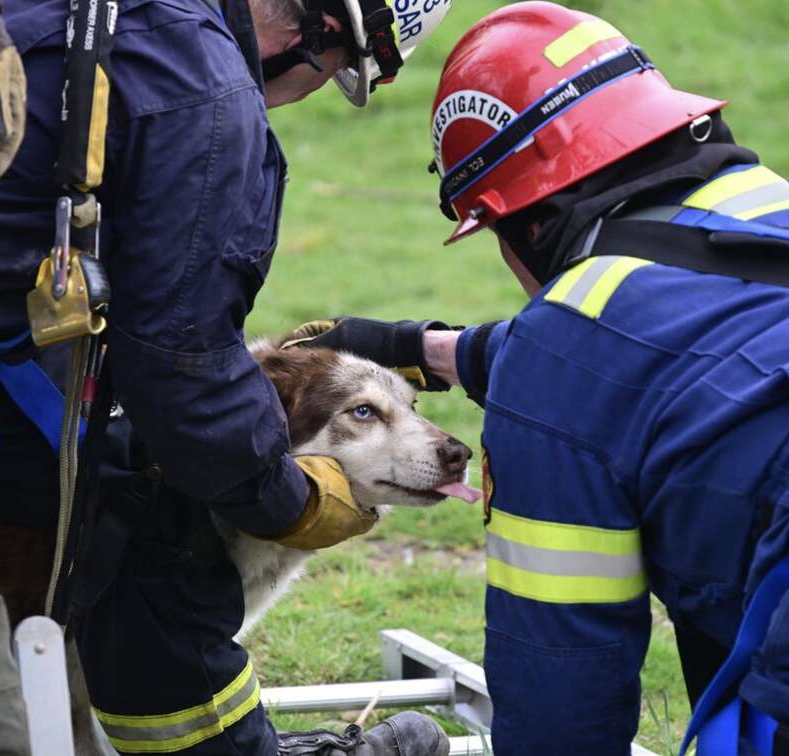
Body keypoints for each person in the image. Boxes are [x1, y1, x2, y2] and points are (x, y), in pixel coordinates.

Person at [293, 3, 789, 754]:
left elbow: (562, 693)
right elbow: (665, 348)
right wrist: (418, 347)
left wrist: (531, 362)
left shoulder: (564, 351)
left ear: (530, 220)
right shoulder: (762, 204)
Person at [0, 0, 452, 754]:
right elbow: (185, 374)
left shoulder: (115, 26)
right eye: (339, 70)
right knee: (145, 523)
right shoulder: (203, 91)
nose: (309, 90)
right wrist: (287, 500)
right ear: (319, 33)